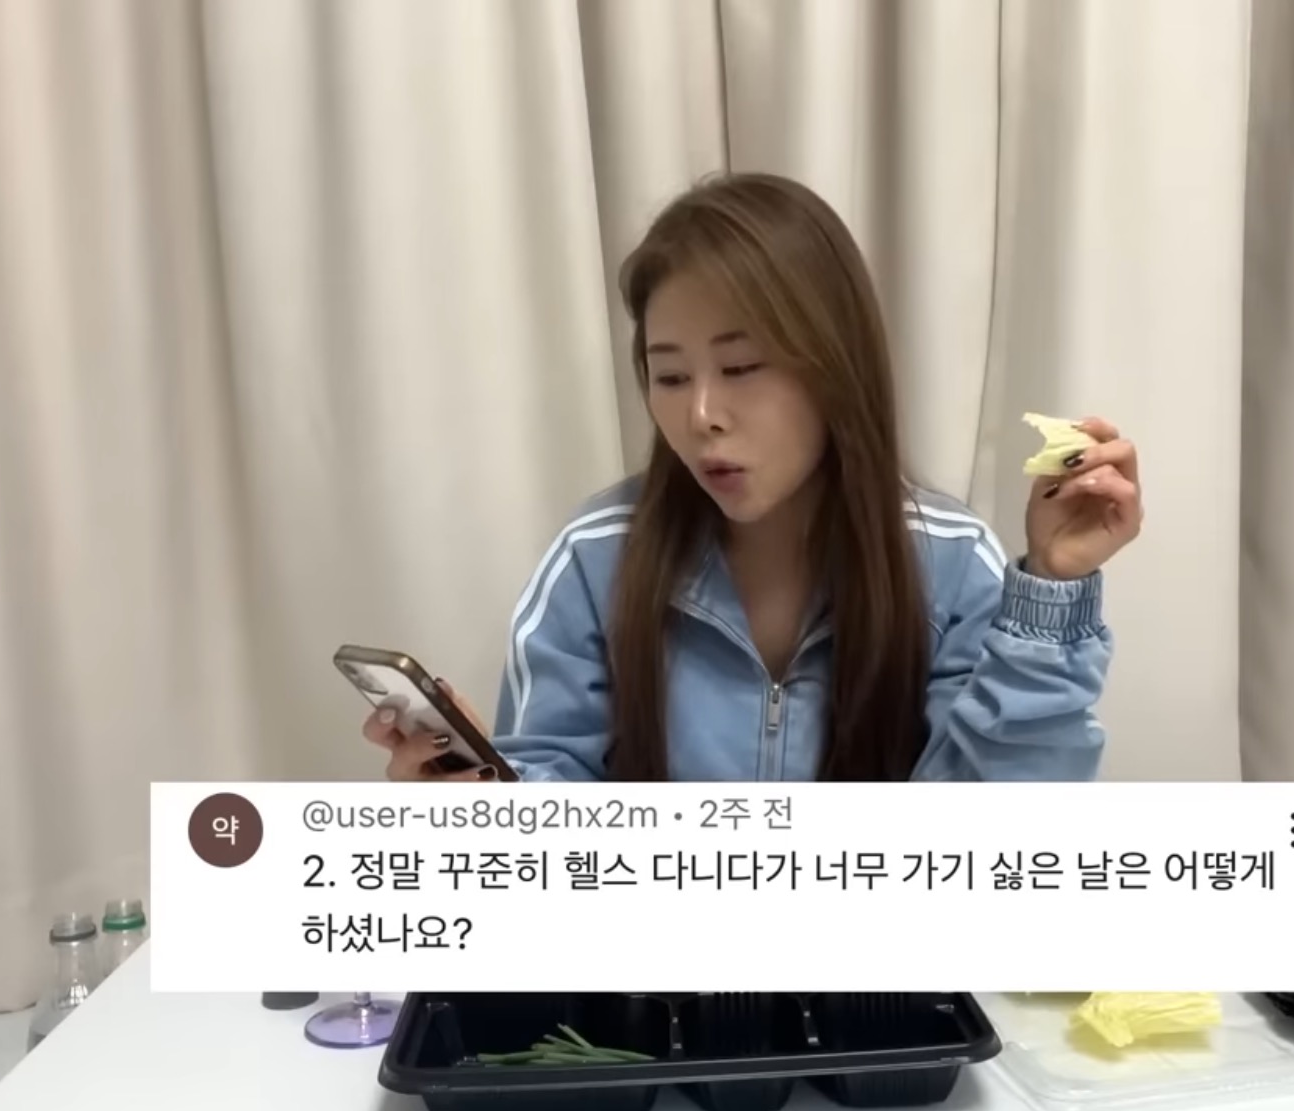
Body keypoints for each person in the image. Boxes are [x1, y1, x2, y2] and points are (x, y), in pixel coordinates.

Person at [365, 171, 1142, 783]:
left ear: (834, 366)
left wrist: (1052, 589)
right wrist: (489, 804)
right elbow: (559, 807)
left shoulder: (949, 561)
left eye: (740, 367)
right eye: (670, 376)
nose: (701, 414)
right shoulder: (595, 559)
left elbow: (996, 839)